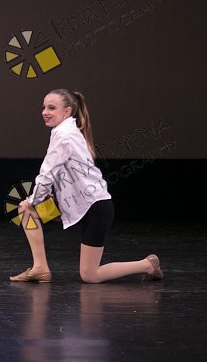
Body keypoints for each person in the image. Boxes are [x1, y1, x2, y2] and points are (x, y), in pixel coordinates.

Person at [10, 89, 163, 284]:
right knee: (26, 209)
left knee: (90, 275)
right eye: (44, 107)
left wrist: (34, 199)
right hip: (78, 205)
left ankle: (148, 265)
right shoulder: (66, 131)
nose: (45, 112)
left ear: (67, 112)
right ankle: (40, 269)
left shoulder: (64, 135)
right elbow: (56, 173)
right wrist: (42, 198)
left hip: (95, 208)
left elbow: (47, 173)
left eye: (51, 108)